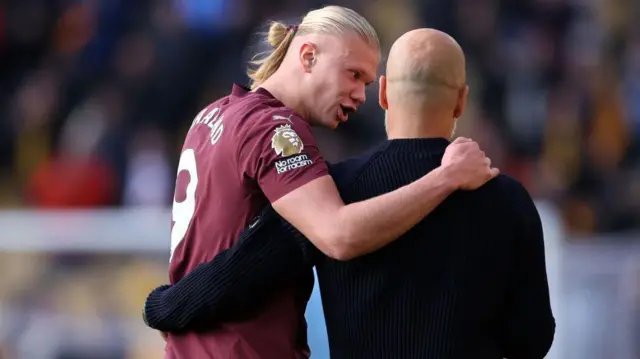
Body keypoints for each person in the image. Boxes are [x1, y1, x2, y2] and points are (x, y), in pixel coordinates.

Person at [144, 29, 555, 359]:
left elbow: (237, 274)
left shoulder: (335, 189)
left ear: (383, 94)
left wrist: (165, 305)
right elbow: (532, 338)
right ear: (462, 101)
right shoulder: (507, 199)